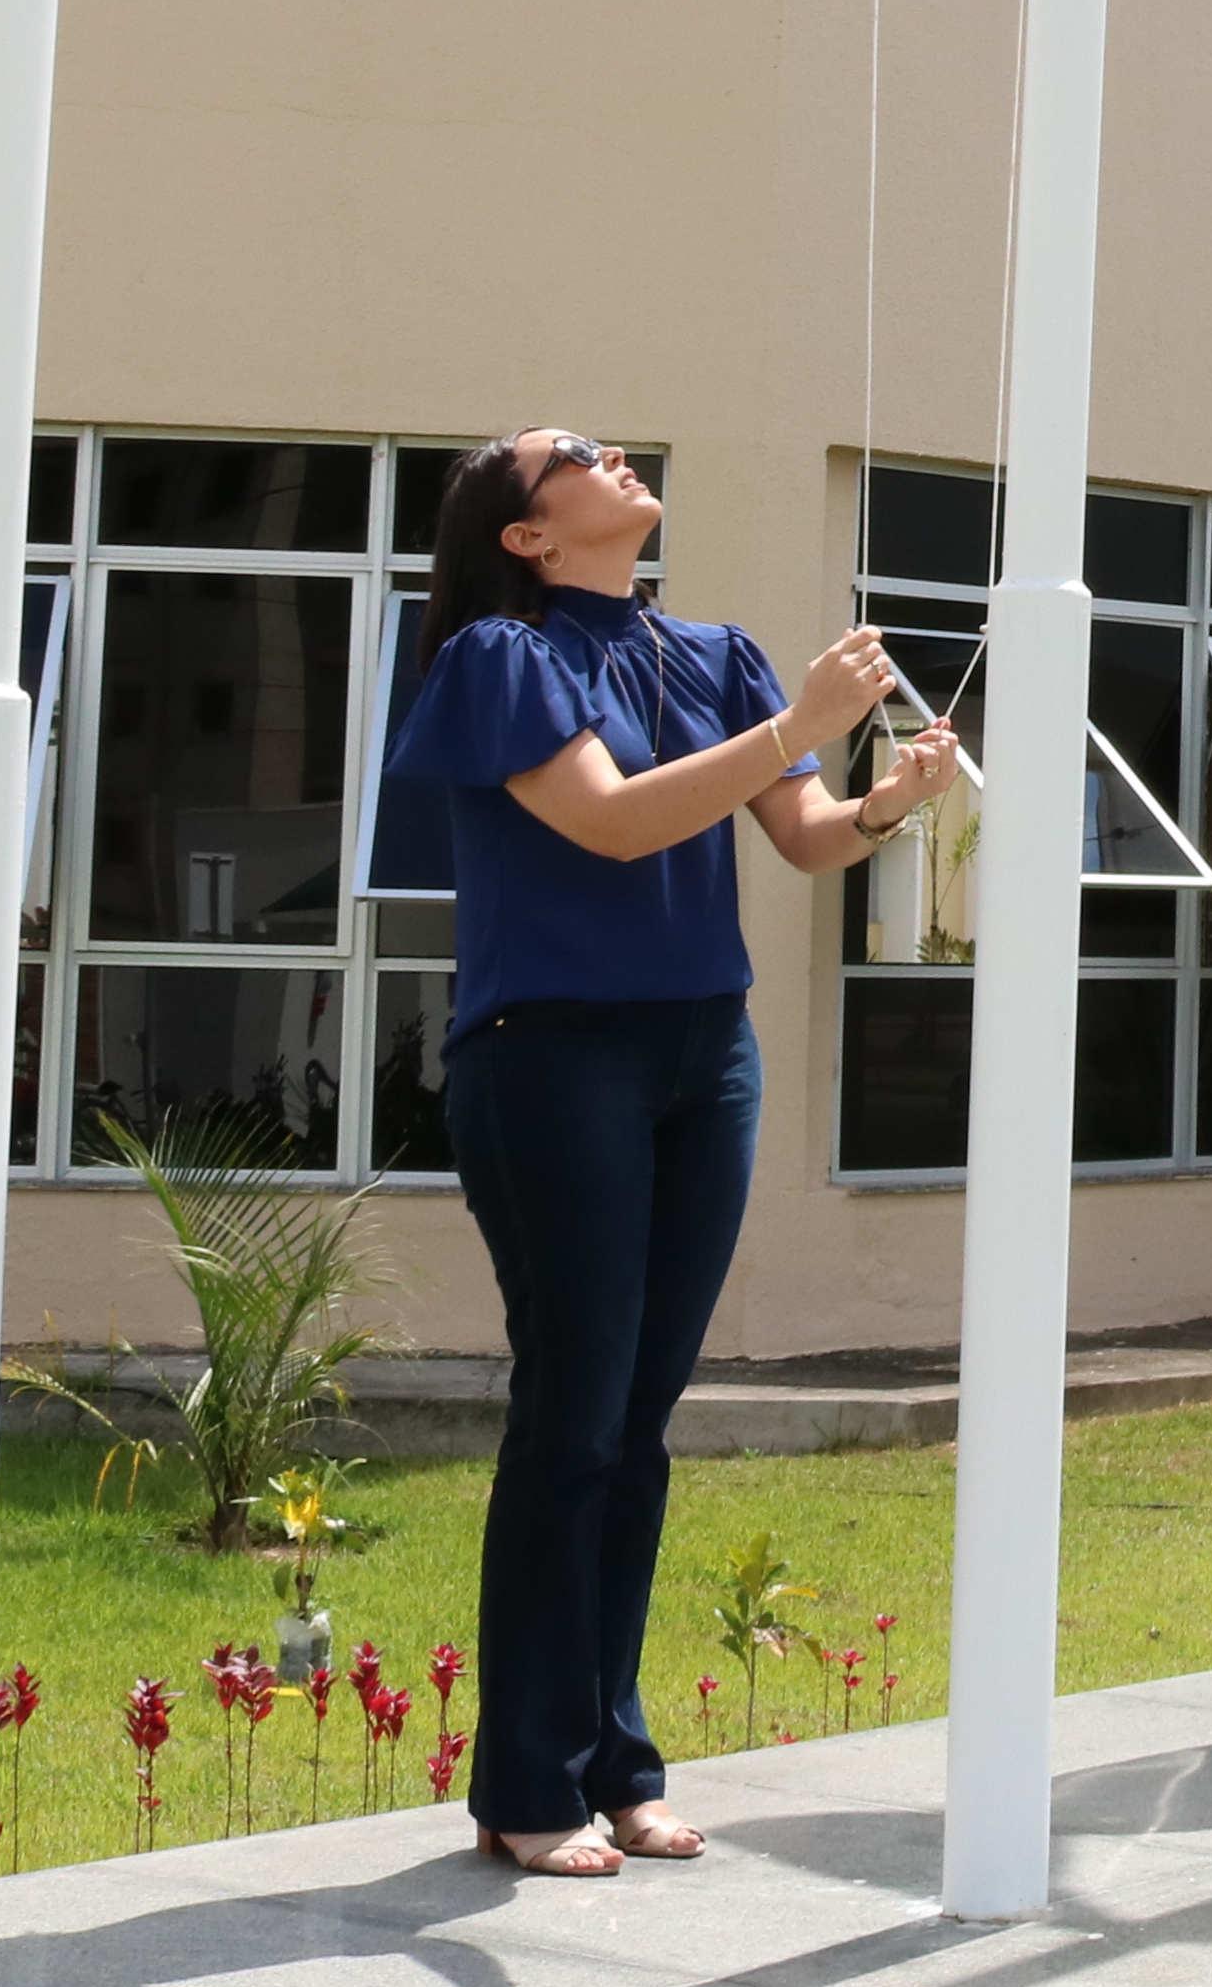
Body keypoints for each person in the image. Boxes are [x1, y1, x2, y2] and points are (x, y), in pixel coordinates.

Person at [382, 431, 945, 1874]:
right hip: (552, 1053)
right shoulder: (498, 657)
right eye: (572, 454)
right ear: (524, 532)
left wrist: (887, 797)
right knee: (572, 1417)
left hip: (708, 1055)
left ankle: (618, 1757)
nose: (612, 453)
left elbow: (803, 838)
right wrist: (801, 719)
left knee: (637, 1424)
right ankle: (526, 1780)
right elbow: (616, 824)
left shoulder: (716, 651)